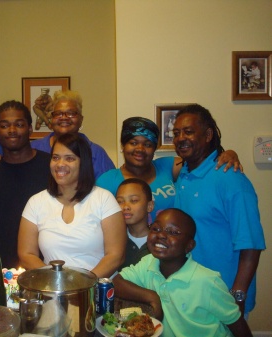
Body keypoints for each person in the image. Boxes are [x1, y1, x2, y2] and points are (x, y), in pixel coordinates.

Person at [172, 104, 265, 316]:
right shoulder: (183, 175)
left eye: (188, 131)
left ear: (207, 135)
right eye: (176, 133)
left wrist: (238, 295)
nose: (180, 138)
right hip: (190, 293)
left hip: (223, 296)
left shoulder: (231, 179)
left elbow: (251, 244)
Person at [112, 208, 253, 337]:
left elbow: (237, 323)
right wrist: (152, 296)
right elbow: (116, 283)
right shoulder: (148, 263)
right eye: (156, 228)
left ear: (189, 246)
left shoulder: (207, 281)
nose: (161, 235)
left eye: (173, 232)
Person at [18, 133, 126, 278]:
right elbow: (26, 254)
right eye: (55, 157)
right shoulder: (36, 202)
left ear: (84, 163)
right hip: (52, 289)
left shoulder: (104, 199)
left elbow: (115, 255)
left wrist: (83, 284)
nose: (60, 164)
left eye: (69, 158)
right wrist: (56, 281)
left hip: (96, 290)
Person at [96, 116, 242, 222]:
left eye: (147, 144)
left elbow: (201, 162)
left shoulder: (168, 166)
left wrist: (227, 154)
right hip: (129, 252)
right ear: (123, 146)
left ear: (154, 149)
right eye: (133, 143)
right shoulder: (107, 181)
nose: (139, 149)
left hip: (172, 252)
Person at [0, 100, 51, 268]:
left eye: (19, 124)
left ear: (30, 128)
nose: (12, 130)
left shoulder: (51, 168)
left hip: (48, 266)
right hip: (6, 270)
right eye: (4, 125)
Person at [0, 90, 115, 179]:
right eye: (58, 114)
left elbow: (110, 191)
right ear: (51, 119)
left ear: (81, 119)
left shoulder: (96, 153)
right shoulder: (34, 148)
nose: (64, 118)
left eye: (71, 113)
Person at [115, 178, 154, 270]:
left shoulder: (159, 241)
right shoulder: (114, 241)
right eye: (120, 201)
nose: (126, 207)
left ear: (149, 206)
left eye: (134, 200)